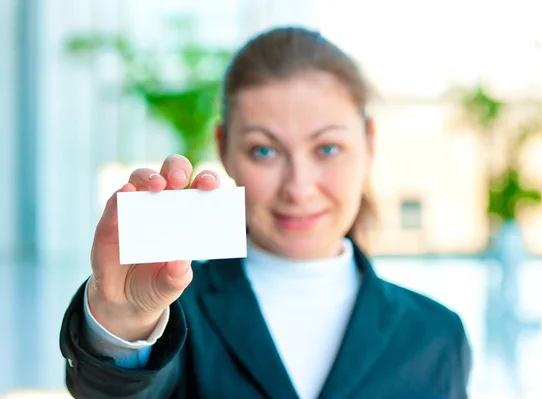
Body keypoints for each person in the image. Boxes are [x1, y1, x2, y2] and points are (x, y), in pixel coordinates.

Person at [59, 26, 472, 399]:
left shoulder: (436, 336)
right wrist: (122, 322)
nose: (298, 188)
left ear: (369, 142)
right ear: (224, 148)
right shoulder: (174, 315)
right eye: (264, 151)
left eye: (327, 148)